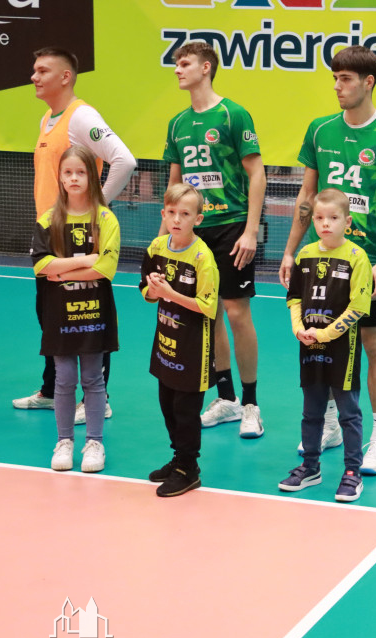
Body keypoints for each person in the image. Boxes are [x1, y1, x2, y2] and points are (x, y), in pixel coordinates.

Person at [278, 45, 376, 476]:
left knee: (375, 345)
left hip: (366, 262)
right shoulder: (320, 131)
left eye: (346, 79)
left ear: (368, 82)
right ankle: (332, 425)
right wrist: (289, 250)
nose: (337, 86)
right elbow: (307, 198)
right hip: (321, 262)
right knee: (322, 340)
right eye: (334, 78)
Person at [14, 46, 136, 421]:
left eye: (42, 70)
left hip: (80, 237)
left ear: (65, 77)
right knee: (51, 315)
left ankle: (100, 398)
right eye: (34, 70)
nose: (34, 77)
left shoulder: (81, 116)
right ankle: (52, 390)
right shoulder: (46, 119)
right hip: (51, 238)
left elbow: (124, 160)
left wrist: (96, 209)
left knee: (88, 315)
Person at [163, 40, 266, 440]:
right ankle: (226, 399)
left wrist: (251, 231)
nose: (177, 70)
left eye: (184, 63)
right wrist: (167, 232)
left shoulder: (233, 114)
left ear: (206, 67)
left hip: (231, 225)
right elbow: (174, 183)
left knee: (237, 313)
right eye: (176, 64)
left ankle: (252, 403)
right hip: (192, 229)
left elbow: (256, 174)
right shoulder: (176, 123)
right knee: (209, 314)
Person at [279, 189, 373, 502]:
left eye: (333, 218)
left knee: (348, 412)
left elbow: (358, 307)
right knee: (311, 410)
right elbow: (294, 298)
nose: (325, 224)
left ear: (347, 221)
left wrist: (325, 334)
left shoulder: (357, 257)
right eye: (319, 218)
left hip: (341, 349)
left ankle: (352, 472)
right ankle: (310, 466)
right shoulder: (305, 255)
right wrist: (298, 329)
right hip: (309, 346)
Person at [31, 146, 119, 473]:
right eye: (67, 172)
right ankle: (64, 441)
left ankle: (94, 442)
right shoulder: (48, 219)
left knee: (94, 379)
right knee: (65, 379)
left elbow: (106, 269)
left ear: (92, 177)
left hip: (94, 314)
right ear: (60, 177)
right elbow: (41, 265)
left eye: (80, 172)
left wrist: (62, 271)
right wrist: (84, 260)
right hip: (59, 315)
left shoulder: (105, 218)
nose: (73, 178)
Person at [141, 183, 219, 498]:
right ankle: (178, 459)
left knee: (186, 411)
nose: (177, 219)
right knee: (167, 406)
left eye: (185, 214)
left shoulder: (203, 257)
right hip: (165, 343)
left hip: (193, 349)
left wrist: (170, 294)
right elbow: (145, 293)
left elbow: (208, 307)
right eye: (172, 212)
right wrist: (153, 288)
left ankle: (189, 469)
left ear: (197, 219)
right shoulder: (156, 247)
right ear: (164, 214)